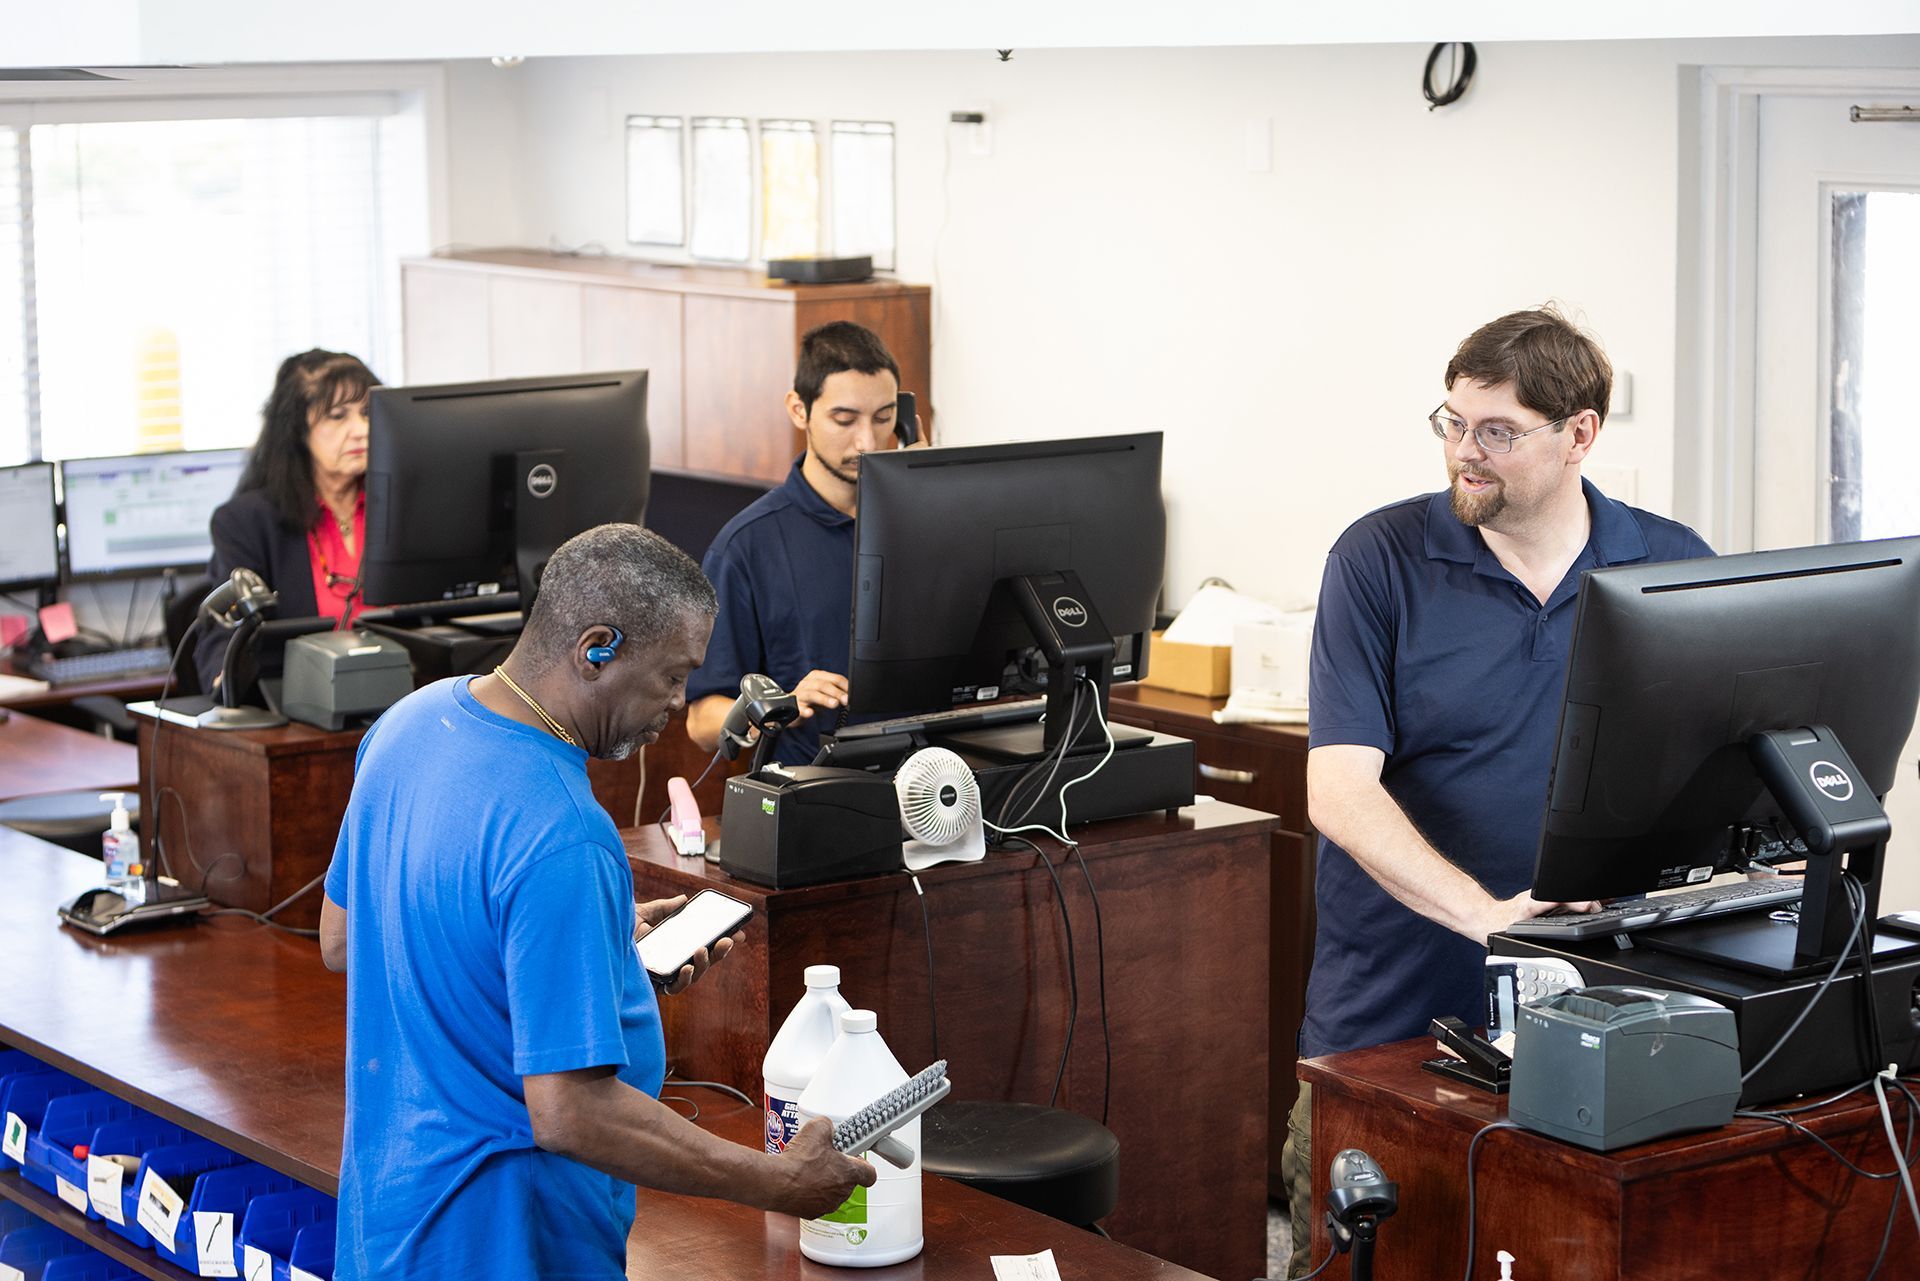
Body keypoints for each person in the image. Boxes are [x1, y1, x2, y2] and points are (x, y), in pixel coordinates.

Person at [1280, 306, 1713, 1277]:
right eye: (1452, 423)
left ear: (1581, 435)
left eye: (1497, 432)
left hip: (1601, 1016)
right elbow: (1336, 791)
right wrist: (1490, 919)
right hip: (1390, 1023)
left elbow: (1714, 774)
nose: (1464, 455)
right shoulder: (1378, 560)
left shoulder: (1671, 563)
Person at [319, 523, 873, 1278]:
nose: (678, 705)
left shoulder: (407, 725)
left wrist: (591, 955)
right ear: (597, 647)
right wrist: (780, 1180)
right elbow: (571, 1112)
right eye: (673, 675)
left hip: (388, 1228)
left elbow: (345, 937)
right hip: (507, 1245)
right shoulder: (565, 832)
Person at [683, 320, 907, 766]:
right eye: (844, 419)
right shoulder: (745, 547)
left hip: (939, 779)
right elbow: (702, 723)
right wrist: (783, 704)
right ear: (799, 410)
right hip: (812, 790)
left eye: (884, 418)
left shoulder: (924, 522)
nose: (867, 441)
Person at [195, 348, 378, 691]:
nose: (360, 430)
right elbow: (224, 637)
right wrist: (228, 681)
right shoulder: (247, 522)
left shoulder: (400, 506)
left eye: (367, 413)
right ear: (297, 431)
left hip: (409, 701)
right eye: (338, 416)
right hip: (306, 711)